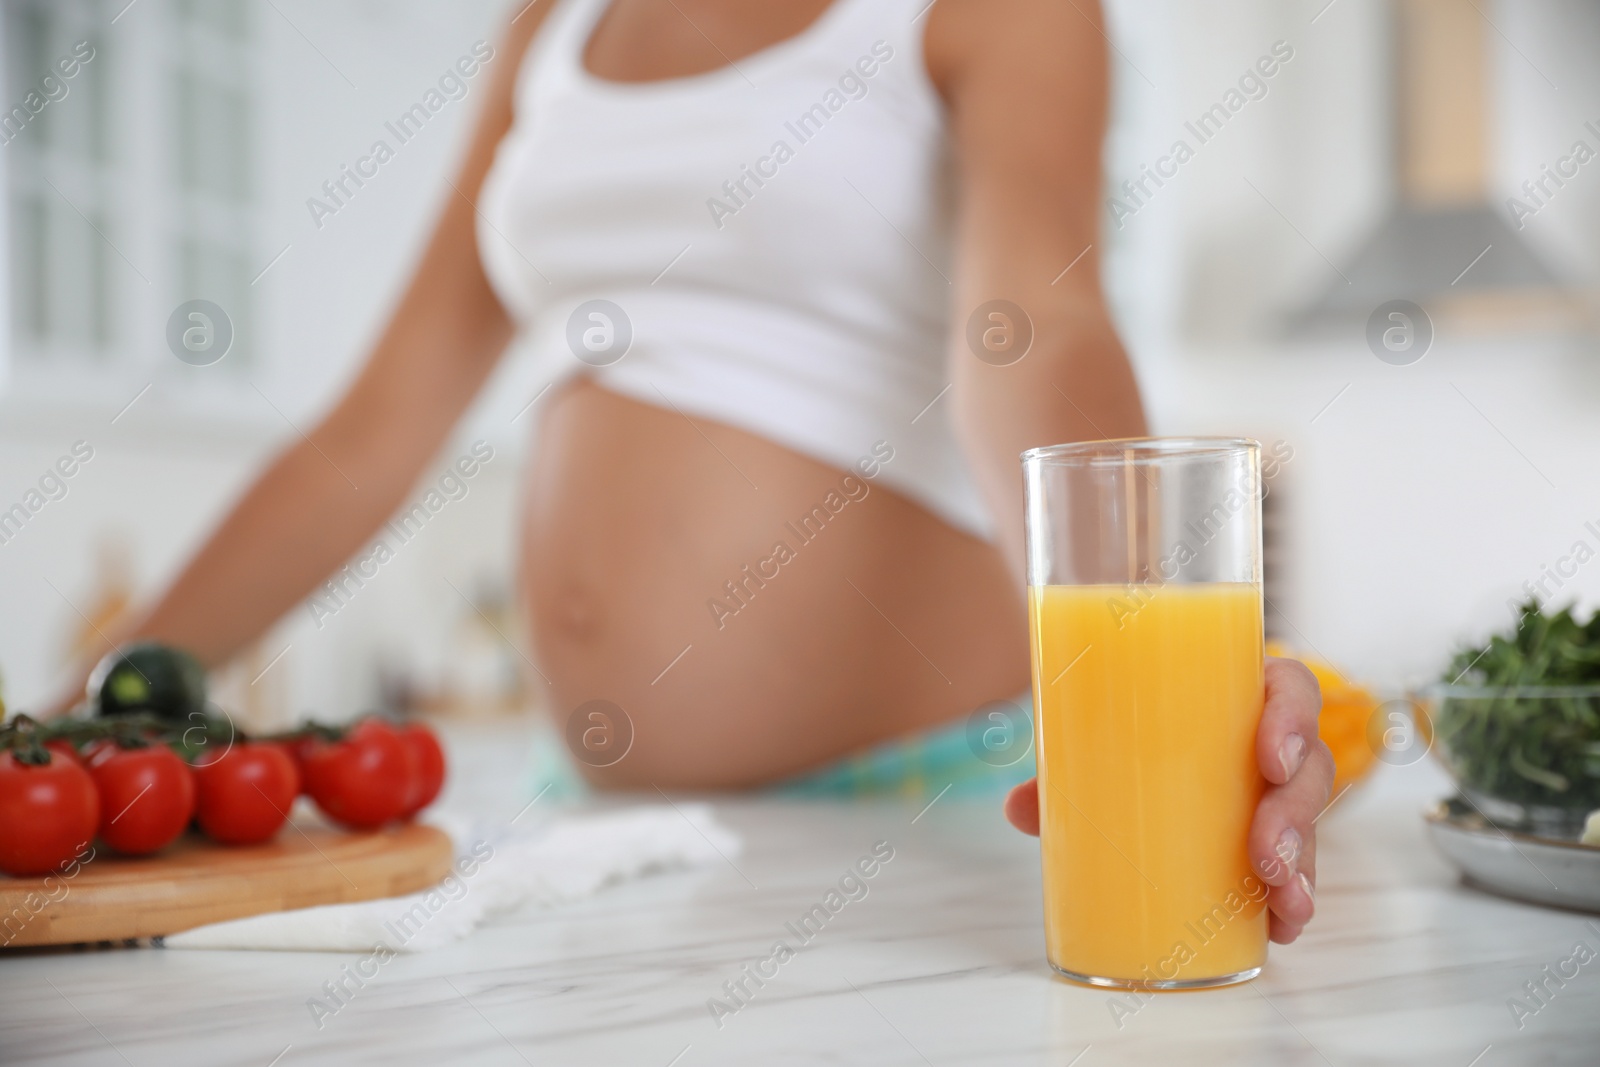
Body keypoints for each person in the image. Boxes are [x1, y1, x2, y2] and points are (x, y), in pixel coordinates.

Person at [56, 0, 1330, 944]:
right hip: (613, 812)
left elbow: (1031, 326)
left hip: (924, 808)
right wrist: (73, 724)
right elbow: (369, 433)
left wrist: (1152, 649)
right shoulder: (553, 27)